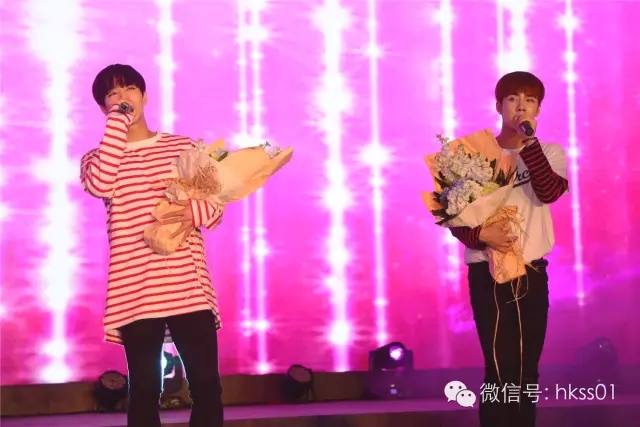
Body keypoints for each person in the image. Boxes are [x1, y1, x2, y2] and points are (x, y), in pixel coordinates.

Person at [80, 64, 225, 427]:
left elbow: (216, 206)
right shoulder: (97, 160)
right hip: (135, 289)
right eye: (113, 94)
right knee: (144, 391)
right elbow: (100, 186)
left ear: (144, 96)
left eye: (129, 89)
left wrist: (193, 212)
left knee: (207, 387)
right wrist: (118, 124)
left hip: (187, 284)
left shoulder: (182, 147)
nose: (123, 97)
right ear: (103, 108)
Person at [449, 71, 569, 427]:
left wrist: (529, 146)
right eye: (513, 99)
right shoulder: (472, 155)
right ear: (499, 105)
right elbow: (454, 217)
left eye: (529, 101)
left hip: (531, 270)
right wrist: (483, 236)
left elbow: (548, 192)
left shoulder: (549, 152)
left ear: (538, 109)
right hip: (487, 272)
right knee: (500, 367)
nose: (521, 107)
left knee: (527, 366)